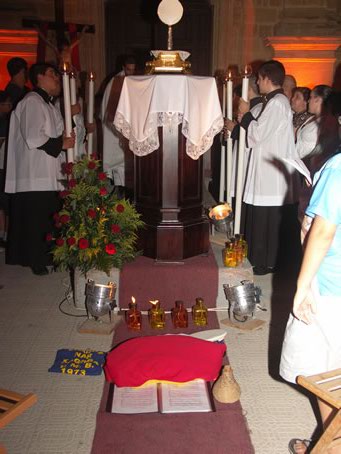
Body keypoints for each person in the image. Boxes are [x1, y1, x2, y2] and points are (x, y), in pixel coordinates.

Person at [280, 144, 341, 454]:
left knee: (324, 373)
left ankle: (331, 446)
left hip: (332, 288)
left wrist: (301, 289)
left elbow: (322, 232)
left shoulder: (338, 167)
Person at [5, 62, 75, 275]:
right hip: (33, 173)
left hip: (48, 172)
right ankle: (35, 258)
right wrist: (60, 144)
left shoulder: (50, 106)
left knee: (46, 217)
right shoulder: (32, 101)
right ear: (39, 78)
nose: (56, 78)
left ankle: (47, 256)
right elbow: (34, 136)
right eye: (53, 74)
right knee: (36, 218)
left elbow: (64, 135)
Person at [234, 60, 300, 275]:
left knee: (267, 217)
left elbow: (258, 134)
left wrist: (246, 114)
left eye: (259, 79)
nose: (257, 82)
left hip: (271, 174)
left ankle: (266, 262)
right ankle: (261, 259)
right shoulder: (273, 102)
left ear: (267, 79)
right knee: (262, 215)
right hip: (265, 169)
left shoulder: (278, 103)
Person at [100, 56, 136, 196]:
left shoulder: (133, 81)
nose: (131, 73)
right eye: (128, 70)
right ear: (123, 68)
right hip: (116, 134)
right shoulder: (116, 82)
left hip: (128, 135)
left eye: (133, 70)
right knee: (119, 174)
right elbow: (111, 114)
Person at [0, 91, 12, 250]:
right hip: (2, 166)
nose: (10, 107)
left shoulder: (6, 121)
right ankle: (3, 234)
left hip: (4, 165)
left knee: (4, 202)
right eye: (7, 104)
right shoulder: (3, 122)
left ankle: (4, 234)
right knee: (3, 203)